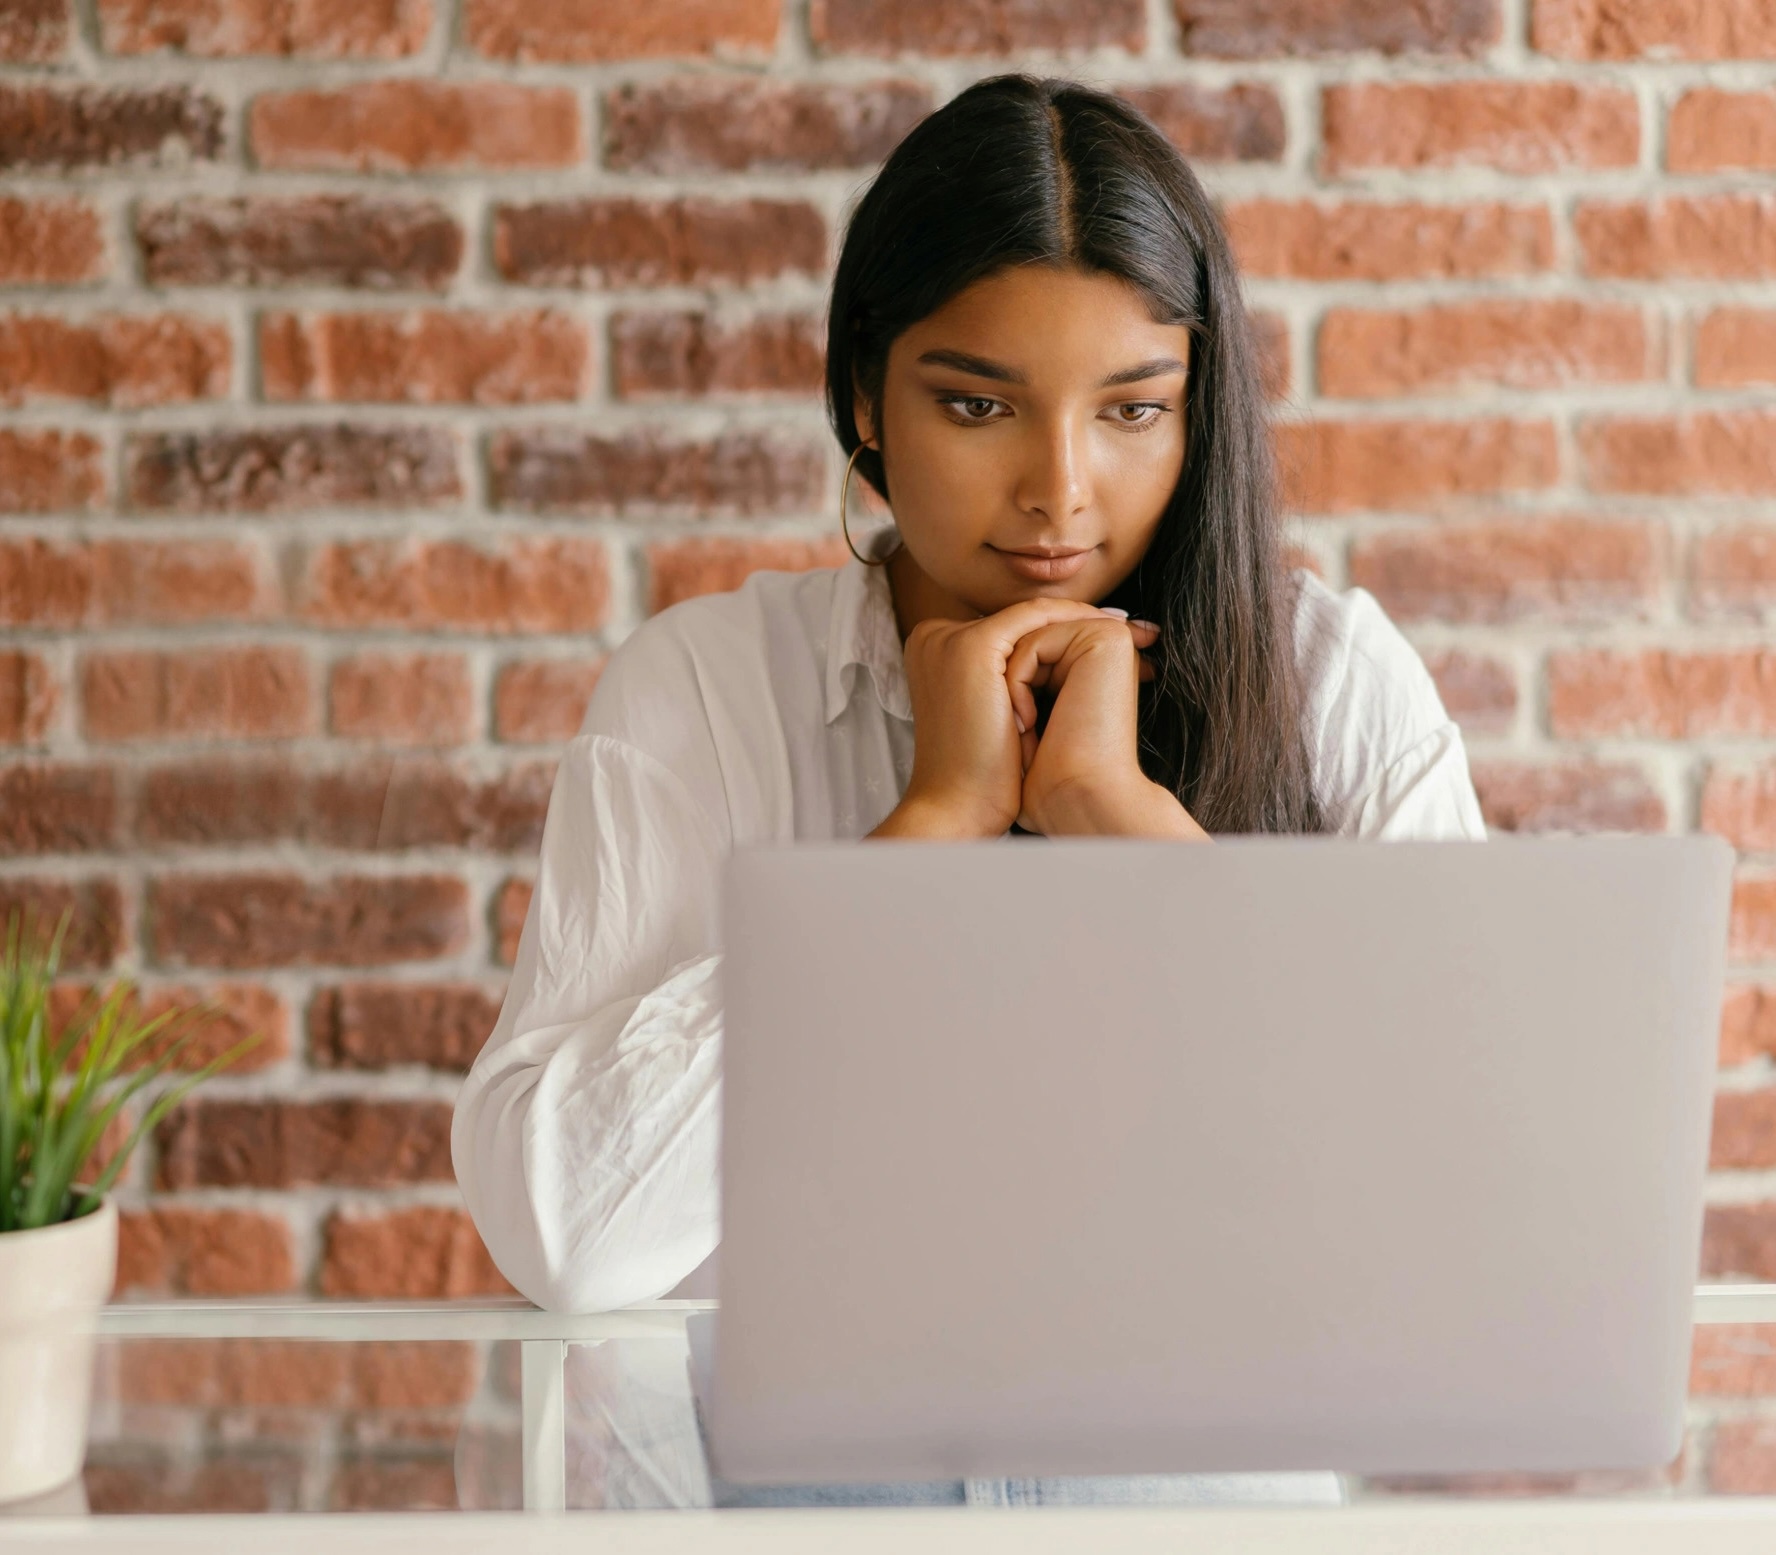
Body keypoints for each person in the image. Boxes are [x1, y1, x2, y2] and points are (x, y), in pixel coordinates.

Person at [451, 73, 1487, 1508]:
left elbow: (1464, 1215)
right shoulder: (703, 691)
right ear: (863, 399)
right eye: (978, 403)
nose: (1060, 490)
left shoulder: (1335, 684)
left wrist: (1129, 823)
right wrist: (923, 837)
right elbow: (566, 1232)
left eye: (1134, 410)